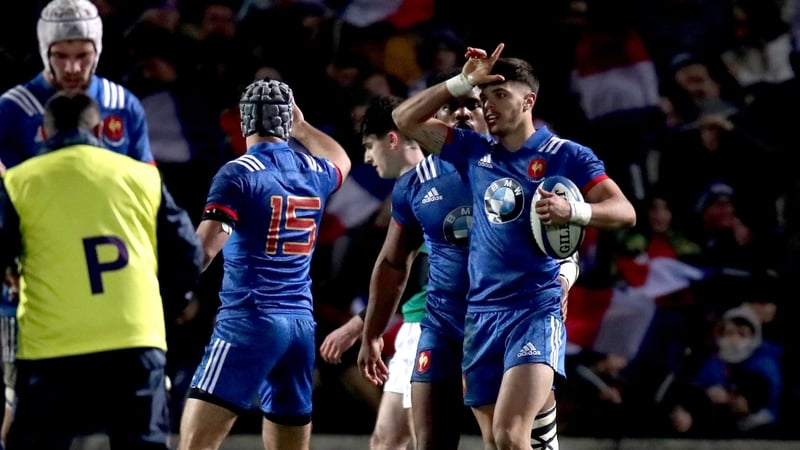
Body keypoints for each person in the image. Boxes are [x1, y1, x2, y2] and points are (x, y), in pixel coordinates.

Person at [389, 43, 637, 449]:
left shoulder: (565, 154)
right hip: (481, 317)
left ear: (529, 101)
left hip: (533, 311)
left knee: (509, 434)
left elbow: (624, 211)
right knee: (497, 439)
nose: (487, 106)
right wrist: (462, 81)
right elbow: (404, 118)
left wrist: (575, 210)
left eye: (500, 95)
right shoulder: (472, 152)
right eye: (484, 98)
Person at [0, 90, 202, 449]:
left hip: (52, 347)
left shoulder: (19, 182)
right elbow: (188, 252)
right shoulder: (142, 177)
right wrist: (164, 309)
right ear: (99, 130)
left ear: (44, 133)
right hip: (135, 342)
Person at [0, 0, 156, 443]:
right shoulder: (13, 108)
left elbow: (147, 191)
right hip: (40, 277)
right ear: (44, 52)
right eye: (61, 55)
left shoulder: (124, 105)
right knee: (18, 397)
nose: (71, 66)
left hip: (111, 280)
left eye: (82, 54)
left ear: (98, 50)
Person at [176, 78, 352, 450]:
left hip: (249, 322)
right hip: (300, 328)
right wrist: (302, 128)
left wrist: (167, 290)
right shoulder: (312, 170)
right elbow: (342, 160)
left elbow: (204, 251)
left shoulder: (238, 173)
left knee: (194, 445)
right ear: (288, 122)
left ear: (242, 123)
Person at [321, 95, 429, 450]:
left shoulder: (434, 186)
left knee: (500, 436)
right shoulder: (409, 188)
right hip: (416, 325)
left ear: (393, 139)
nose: (367, 157)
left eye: (370, 146)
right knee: (387, 440)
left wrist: (361, 327)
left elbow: (419, 273)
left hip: (443, 328)